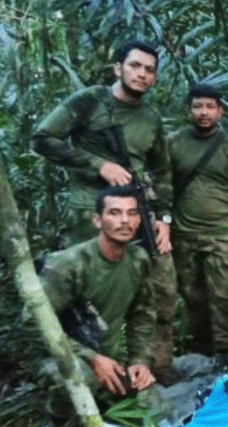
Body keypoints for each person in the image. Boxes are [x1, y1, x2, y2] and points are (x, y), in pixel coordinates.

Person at [32, 39, 177, 382]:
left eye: (149, 70)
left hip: (138, 215)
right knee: (88, 298)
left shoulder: (151, 119)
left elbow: (163, 172)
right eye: (135, 66)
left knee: (159, 290)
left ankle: (150, 373)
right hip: (90, 216)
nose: (141, 74)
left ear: (155, 79)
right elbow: (42, 139)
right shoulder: (90, 102)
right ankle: (86, 374)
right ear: (118, 68)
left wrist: (164, 219)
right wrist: (97, 164)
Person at [39, 187, 156, 400]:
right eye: (114, 213)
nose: (124, 221)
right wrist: (92, 358)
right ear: (97, 220)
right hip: (58, 355)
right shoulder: (69, 265)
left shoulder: (139, 259)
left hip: (107, 356)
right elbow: (33, 326)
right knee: (81, 380)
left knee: (152, 402)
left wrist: (139, 361)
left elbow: (142, 314)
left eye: (131, 213)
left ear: (139, 220)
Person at [168, 83, 228, 356]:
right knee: (194, 298)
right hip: (184, 235)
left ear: (220, 111)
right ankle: (202, 355)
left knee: (226, 298)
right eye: (198, 106)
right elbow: (162, 186)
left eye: (210, 107)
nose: (203, 112)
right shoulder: (173, 143)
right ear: (189, 111)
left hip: (222, 235)